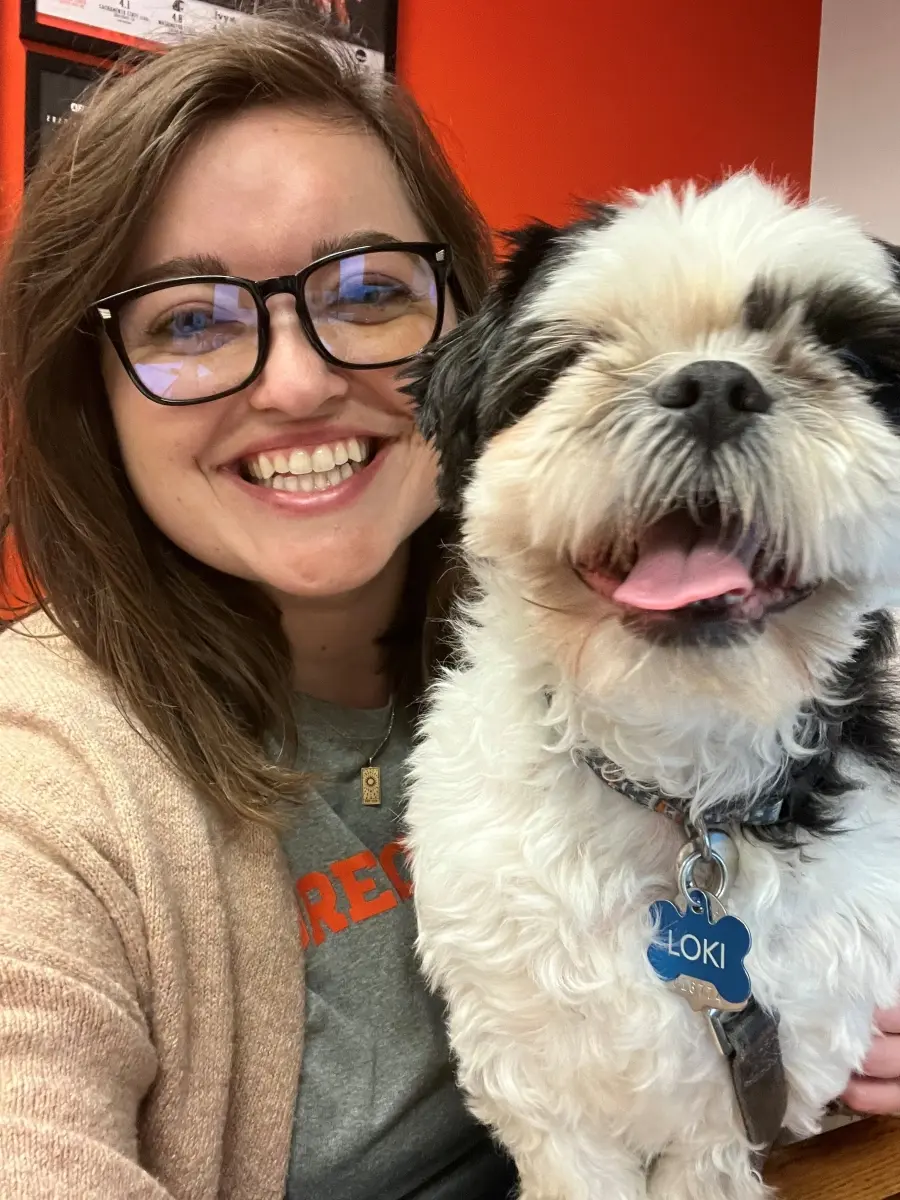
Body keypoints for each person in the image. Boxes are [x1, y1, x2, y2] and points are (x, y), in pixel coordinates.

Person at [0, 11, 895, 1200]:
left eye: (367, 291)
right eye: (191, 319)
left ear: (458, 338)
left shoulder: (583, 625)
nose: (298, 382)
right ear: (92, 392)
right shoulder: (38, 790)